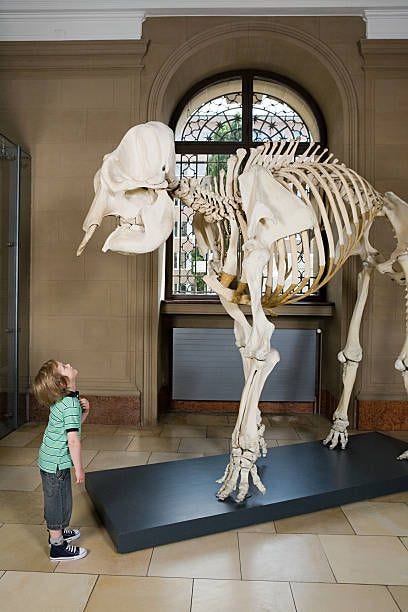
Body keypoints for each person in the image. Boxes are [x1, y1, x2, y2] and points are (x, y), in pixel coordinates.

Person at [33, 359, 90, 561]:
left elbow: (71, 426)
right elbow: (73, 441)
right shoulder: (69, 404)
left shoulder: (68, 398)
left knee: (62, 498)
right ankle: (57, 545)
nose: (68, 364)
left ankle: (58, 531)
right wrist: (80, 469)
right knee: (57, 502)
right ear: (62, 383)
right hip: (55, 462)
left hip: (52, 458)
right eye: (64, 367)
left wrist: (85, 413)